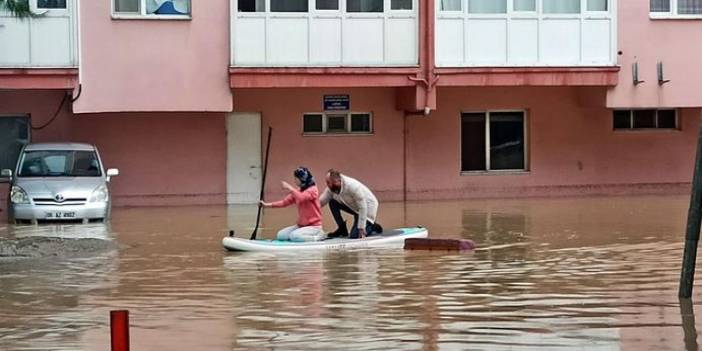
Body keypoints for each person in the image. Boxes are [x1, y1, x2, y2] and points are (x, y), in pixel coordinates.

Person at [260, 167, 325, 242]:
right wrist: (266, 205)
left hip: (314, 227)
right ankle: (299, 238)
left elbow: (302, 197)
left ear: (301, 178)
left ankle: (318, 237)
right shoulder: (298, 191)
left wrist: (289, 188)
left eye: (295, 178)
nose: (294, 181)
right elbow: (284, 203)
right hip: (301, 226)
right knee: (281, 235)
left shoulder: (313, 190)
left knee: (294, 236)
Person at [320, 169, 383, 239]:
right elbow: (321, 202)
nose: (327, 185)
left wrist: (361, 227)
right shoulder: (332, 188)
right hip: (354, 207)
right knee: (332, 202)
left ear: (336, 181)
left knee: (355, 236)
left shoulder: (352, 186)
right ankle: (342, 229)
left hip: (367, 208)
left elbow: (363, 207)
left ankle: (372, 226)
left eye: (328, 183)